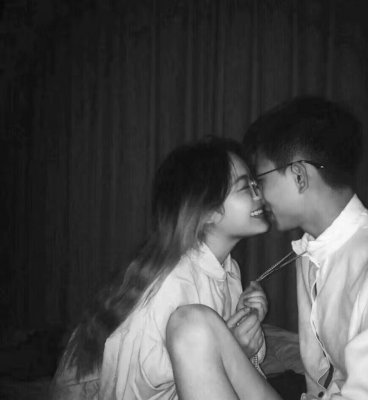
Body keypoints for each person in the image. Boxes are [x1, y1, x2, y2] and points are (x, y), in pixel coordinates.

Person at [50, 136, 282, 400]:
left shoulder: (228, 269)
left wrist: (245, 324)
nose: (259, 193)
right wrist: (231, 349)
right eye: (244, 187)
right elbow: (131, 393)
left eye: (254, 184)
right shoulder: (171, 286)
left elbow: (234, 364)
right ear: (208, 211)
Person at [242, 96, 368, 399]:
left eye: (259, 181)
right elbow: (319, 379)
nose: (257, 196)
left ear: (299, 176)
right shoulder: (310, 251)